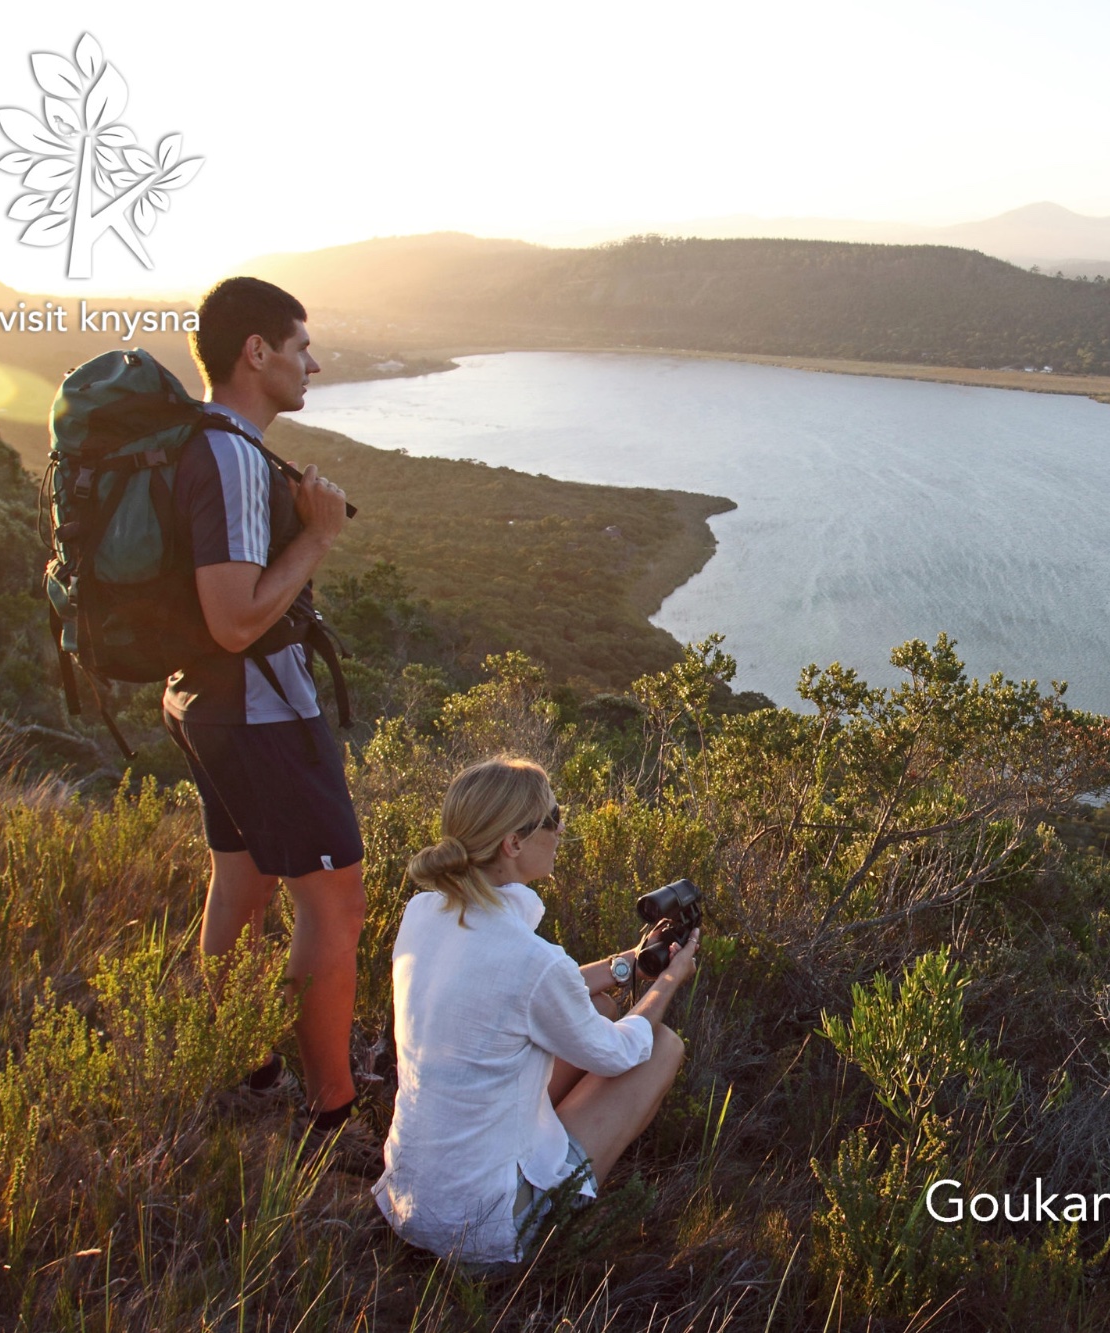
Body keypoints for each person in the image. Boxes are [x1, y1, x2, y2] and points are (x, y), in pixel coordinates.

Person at [166, 277, 365, 1136]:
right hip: (255, 707)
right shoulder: (232, 453)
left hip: (205, 700)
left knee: (242, 878)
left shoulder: (206, 444)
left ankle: (243, 1070)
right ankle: (333, 1113)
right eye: (298, 346)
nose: (311, 362)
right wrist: (317, 536)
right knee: (335, 899)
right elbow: (236, 616)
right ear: (256, 352)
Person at [375, 757, 693, 1264]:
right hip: (483, 1235)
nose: (561, 828)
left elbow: (535, 985)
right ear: (513, 843)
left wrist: (629, 964)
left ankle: (540, 1144)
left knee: (603, 1004)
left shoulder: (423, 913)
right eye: (553, 816)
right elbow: (618, 1054)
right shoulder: (529, 960)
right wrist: (669, 981)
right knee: (659, 1047)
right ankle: (553, 1225)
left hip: (409, 1204)